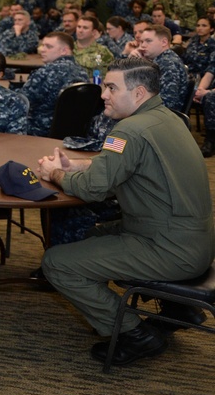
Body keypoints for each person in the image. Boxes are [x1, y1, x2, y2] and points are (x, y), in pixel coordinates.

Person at [37, 58, 213, 367]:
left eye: (111, 87)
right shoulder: (167, 118)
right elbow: (125, 167)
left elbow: (93, 190)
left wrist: (55, 174)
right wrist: (75, 166)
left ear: (139, 92)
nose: (103, 94)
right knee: (92, 235)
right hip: (193, 240)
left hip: (169, 248)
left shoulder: (127, 131)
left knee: (57, 263)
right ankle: (178, 307)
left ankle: (136, 334)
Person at [20, 32, 90, 136]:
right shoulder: (83, 72)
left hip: (39, 129)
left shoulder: (46, 72)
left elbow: (21, 102)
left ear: (64, 51)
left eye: (48, 46)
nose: (42, 50)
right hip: (73, 131)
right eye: (42, 45)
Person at [136, 25, 189, 110]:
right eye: (141, 42)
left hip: (162, 116)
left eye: (148, 41)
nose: (143, 45)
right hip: (154, 111)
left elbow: (168, 102)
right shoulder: (159, 60)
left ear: (164, 42)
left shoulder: (168, 63)